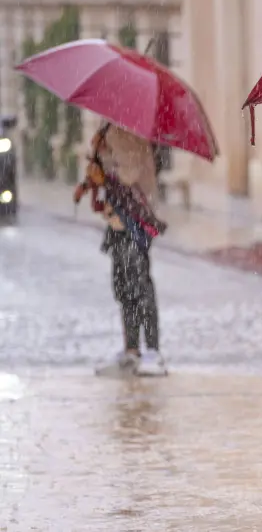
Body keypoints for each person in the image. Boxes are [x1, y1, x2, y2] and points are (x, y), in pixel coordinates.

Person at [76, 124, 167, 377]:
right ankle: (131, 351)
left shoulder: (130, 130)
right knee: (124, 287)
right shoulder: (110, 128)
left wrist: (104, 172)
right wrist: (97, 158)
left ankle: (152, 351)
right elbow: (109, 171)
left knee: (139, 285)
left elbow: (129, 174)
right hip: (117, 220)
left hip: (135, 221)